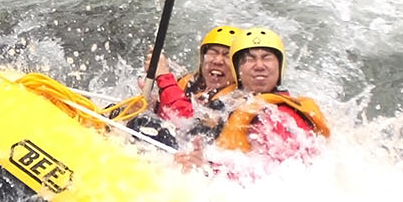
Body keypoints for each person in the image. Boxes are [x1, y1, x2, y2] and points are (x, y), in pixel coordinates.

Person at [190, 27, 331, 171]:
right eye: (249, 59)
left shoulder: (280, 117)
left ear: (280, 66)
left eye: (266, 58)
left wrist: (206, 168)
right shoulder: (235, 104)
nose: (259, 66)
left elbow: (280, 177)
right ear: (237, 70)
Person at [104, 25, 241, 126]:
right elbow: (170, 113)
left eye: (226, 55)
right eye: (213, 53)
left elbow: (187, 122)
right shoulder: (190, 82)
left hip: (197, 157)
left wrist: (163, 77)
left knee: (144, 124)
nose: (217, 60)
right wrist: (153, 105)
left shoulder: (237, 99)